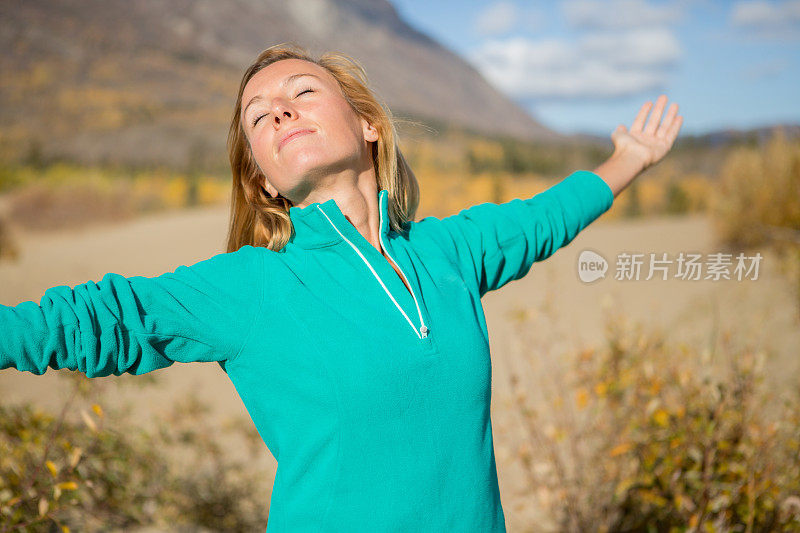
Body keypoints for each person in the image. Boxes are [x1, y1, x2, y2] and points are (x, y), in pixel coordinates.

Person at [0, 42, 683, 532]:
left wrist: (627, 160)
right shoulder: (254, 285)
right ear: (264, 177)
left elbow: (539, 221)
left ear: (368, 125)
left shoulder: (446, 251)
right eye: (258, 116)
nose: (278, 113)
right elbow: (103, 317)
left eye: (301, 94)